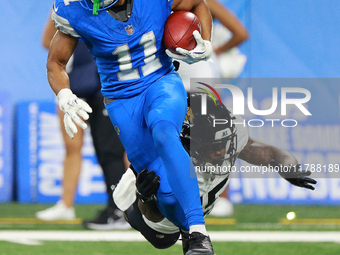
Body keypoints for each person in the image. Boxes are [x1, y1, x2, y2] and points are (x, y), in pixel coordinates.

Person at [47, 0, 215, 254]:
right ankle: (184, 233)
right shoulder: (76, 10)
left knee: (163, 130)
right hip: (122, 100)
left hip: (161, 82)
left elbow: (198, 4)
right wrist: (64, 95)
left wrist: (206, 40)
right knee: (165, 194)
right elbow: (55, 63)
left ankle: (199, 234)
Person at [112, 92, 317, 253]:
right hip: (156, 216)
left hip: (198, 201)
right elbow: (156, 216)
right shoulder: (170, 160)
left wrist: (288, 167)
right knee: (165, 239)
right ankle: (134, 201)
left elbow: (271, 152)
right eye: (211, 146)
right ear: (188, 143)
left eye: (223, 143)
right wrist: (145, 197)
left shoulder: (229, 132)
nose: (220, 151)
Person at [36, 12, 130, 230]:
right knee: (76, 147)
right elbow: (47, 42)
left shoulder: (116, 6)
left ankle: (124, 209)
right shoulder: (68, 7)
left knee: (114, 150)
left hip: (109, 84)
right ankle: (68, 204)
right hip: (75, 85)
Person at [177, 0, 249, 216]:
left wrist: (213, 49)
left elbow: (240, 33)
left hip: (196, 74)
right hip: (180, 74)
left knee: (213, 135)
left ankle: (219, 197)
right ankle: (208, 197)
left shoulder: (204, 2)